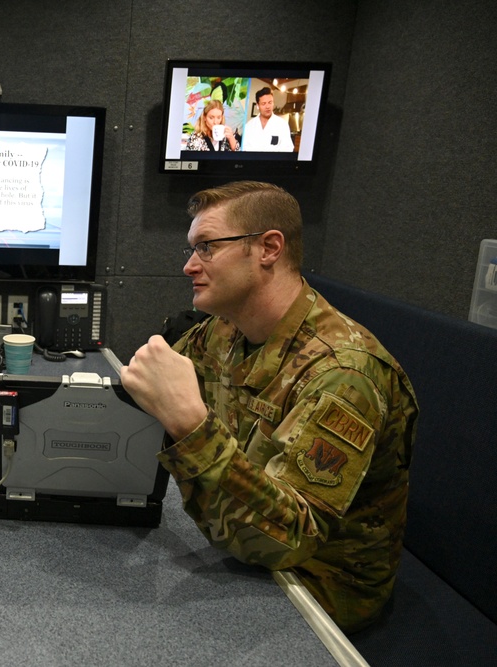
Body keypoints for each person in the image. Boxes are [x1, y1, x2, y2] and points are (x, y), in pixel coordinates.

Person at [120, 181, 417, 633]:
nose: (188, 266)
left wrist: (190, 425)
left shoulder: (345, 373)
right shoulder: (224, 329)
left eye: (206, 248)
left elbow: (288, 540)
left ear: (268, 248)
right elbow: (148, 391)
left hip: (317, 588)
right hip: (239, 543)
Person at [241, 87, 293, 152]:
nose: (267, 106)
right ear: (258, 105)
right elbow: (244, 148)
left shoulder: (282, 125)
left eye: (270, 102)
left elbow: (288, 148)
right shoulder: (249, 126)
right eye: (263, 103)